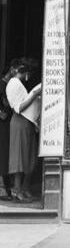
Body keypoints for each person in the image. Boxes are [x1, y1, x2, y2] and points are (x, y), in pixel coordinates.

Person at [7, 61, 41, 203]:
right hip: (20, 122)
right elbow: (18, 107)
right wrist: (34, 95)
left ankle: (24, 188)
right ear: (26, 73)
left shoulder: (17, 83)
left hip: (26, 123)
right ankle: (17, 190)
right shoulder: (14, 84)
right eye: (28, 74)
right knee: (20, 156)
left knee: (29, 155)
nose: (28, 77)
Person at [0, 59, 19, 201]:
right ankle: (3, 189)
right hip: (2, 123)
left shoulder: (10, 85)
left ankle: (6, 188)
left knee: (6, 154)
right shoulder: (2, 85)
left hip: (7, 124)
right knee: (3, 154)